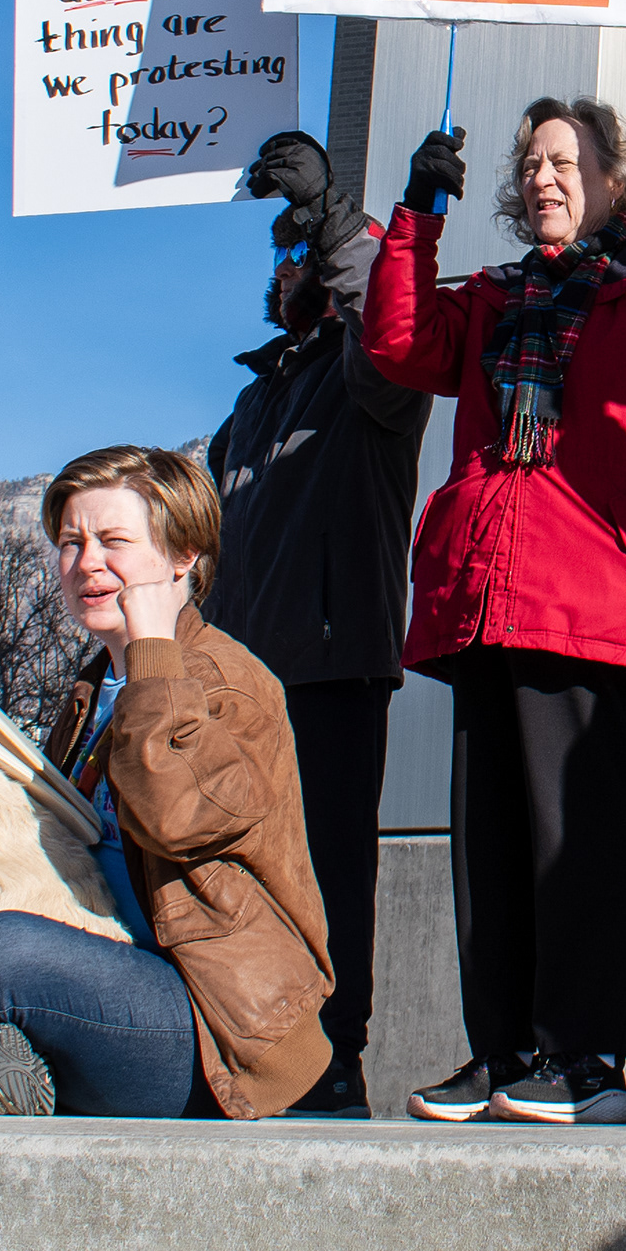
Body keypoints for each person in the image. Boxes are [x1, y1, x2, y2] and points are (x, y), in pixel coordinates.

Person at [365, 96, 626, 1128]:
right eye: (531, 161)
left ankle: (586, 1065)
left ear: (614, 181)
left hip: (597, 601)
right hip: (488, 598)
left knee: (580, 839)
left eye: (567, 160)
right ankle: (504, 1053)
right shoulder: (495, 300)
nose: (544, 175)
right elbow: (398, 345)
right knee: (492, 841)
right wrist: (416, 212)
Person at [0, 445, 333, 1119]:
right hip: (103, 976)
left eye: (113, 541)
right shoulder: (91, 692)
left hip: (209, 1029)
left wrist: (151, 649)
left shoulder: (230, 684)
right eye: (70, 542)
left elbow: (176, 815)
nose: (86, 563)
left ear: (183, 558)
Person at [206, 128, 428, 1119]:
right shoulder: (252, 401)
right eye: (284, 247)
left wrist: (339, 218)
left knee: (329, 881)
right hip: (238, 686)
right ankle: (245, 1058)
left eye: (305, 247)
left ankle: (333, 1068)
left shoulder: (373, 379)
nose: (287, 260)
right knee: (238, 887)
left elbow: (390, 312)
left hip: (334, 665)